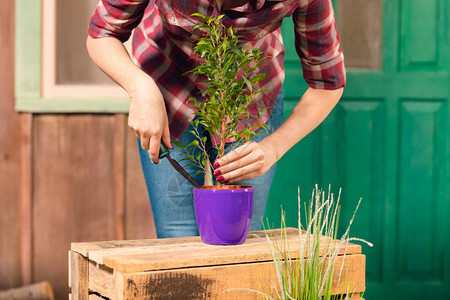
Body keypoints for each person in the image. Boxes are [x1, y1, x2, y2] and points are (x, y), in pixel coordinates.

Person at [86, 0, 345, 238]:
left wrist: (273, 148)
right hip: (167, 81)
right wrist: (140, 88)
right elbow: (102, 34)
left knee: (237, 237)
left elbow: (327, 83)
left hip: (248, 94)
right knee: (178, 236)